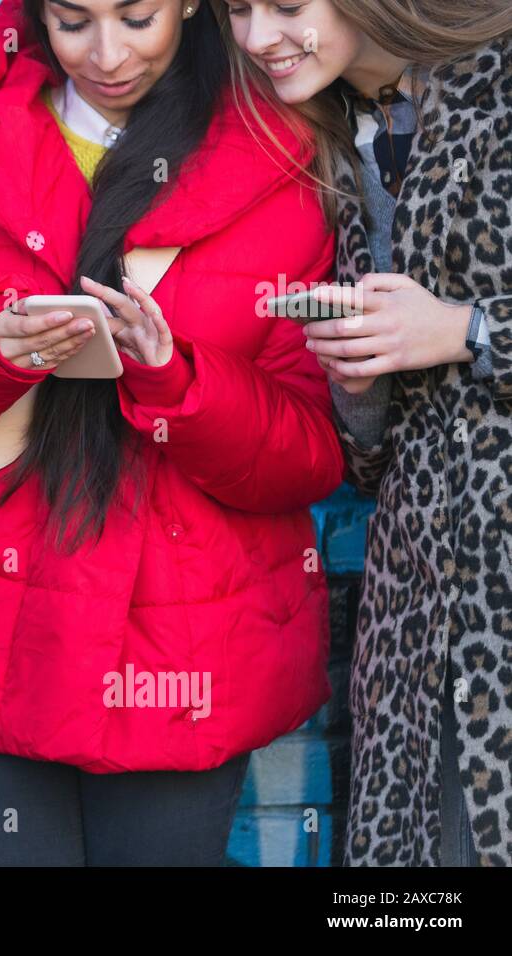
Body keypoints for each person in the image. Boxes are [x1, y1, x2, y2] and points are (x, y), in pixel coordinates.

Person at [0, 0, 345, 866]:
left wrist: (180, 380)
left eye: (137, 17)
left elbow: (307, 454)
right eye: (74, 22)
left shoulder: (283, 166)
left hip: (191, 650)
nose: (108, 54)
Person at [217, 0, 512, 867]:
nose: (258, 36)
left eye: (286, 5)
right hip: (414, 610)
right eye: (238, 9)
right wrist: (359, 385)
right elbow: (375, 457)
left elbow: (456, 333)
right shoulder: (348, 137)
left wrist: (467, 331)